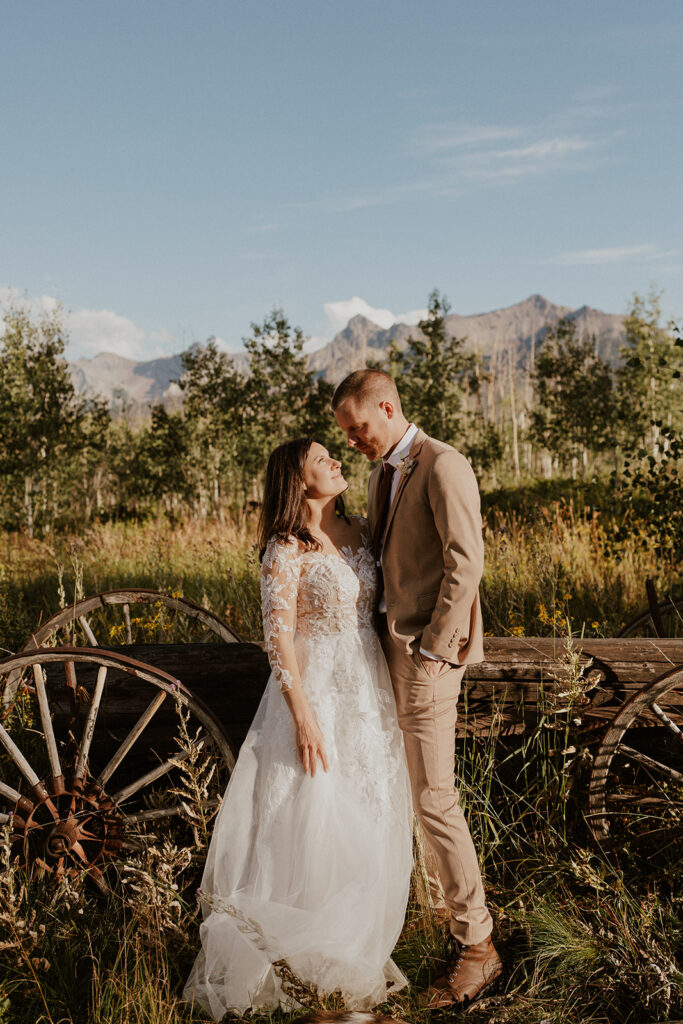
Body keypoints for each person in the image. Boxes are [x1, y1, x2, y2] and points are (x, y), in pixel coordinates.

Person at [183, 438, 413, 1018]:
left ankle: (353, 956)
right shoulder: (284, 549)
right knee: (310, 814)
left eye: (335, 455)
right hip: (315, 692)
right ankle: (303, 967)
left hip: (367, 687)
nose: (337, 462)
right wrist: (302, 715)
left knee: (370, 805)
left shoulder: (362, 531)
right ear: (297, 479)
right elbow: (278, 637)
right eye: (322, 459)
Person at [333, 369, 503, 1009]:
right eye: (346, 433)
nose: (353, 440)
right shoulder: (383, 473)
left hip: (429, 656)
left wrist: (435, 648)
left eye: (360, 428)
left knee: (434, 797)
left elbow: (467, 562)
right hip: (389, 654)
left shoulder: (443, 464)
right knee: (405, 791)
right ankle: (440, 913)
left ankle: (479, 948)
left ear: (387, 406)